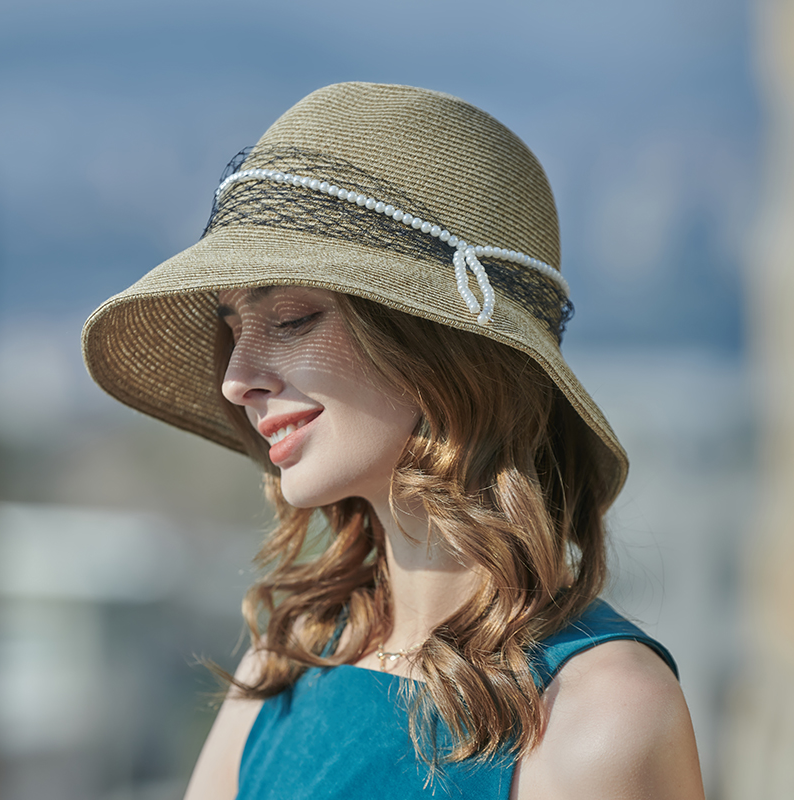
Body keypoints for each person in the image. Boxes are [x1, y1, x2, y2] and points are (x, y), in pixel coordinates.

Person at [82, 82, 705, 799]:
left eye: (289, 320)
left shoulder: (598, 715)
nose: (236, 378)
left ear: (439, 350)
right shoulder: (282, 670)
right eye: (231, 329)